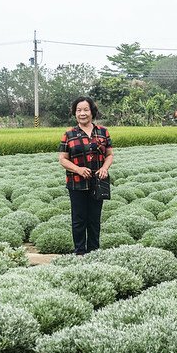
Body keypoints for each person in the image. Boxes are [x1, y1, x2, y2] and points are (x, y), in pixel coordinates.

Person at [58, 96, 113, 255]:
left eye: (86, 110)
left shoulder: (103, 132)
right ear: (75, 113)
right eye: (79, 110)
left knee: (94, 219)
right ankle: (80, 252)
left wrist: (105, 167)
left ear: (92, 111)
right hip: (76, 183)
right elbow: (62, 159)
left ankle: (94, 252)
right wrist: (78, 169)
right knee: (79, 220)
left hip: (98, 182)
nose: (82, 113)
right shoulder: (69, 134)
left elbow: (109, 155)